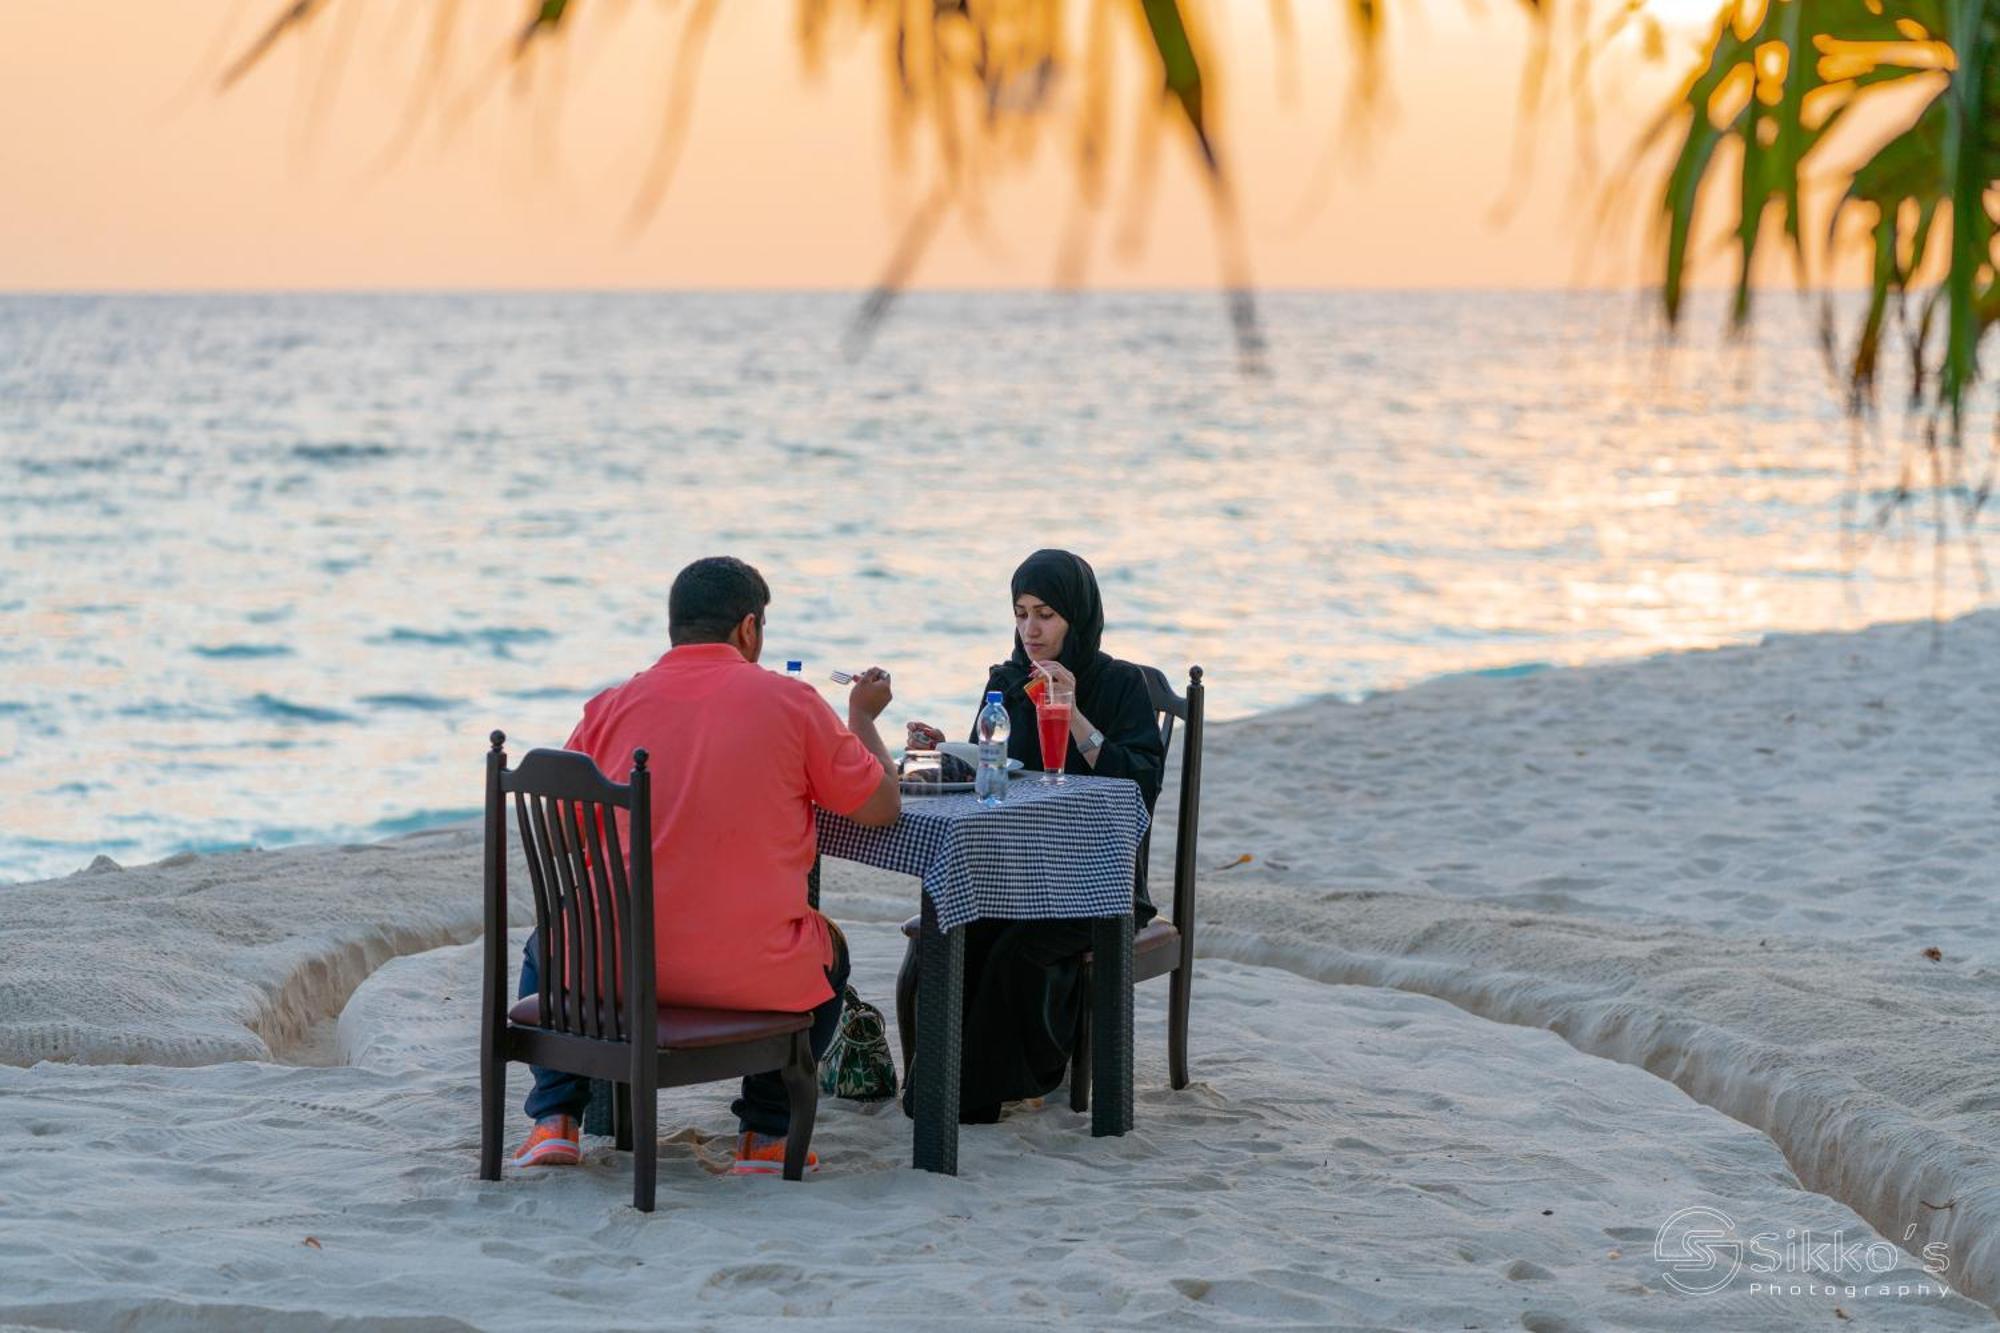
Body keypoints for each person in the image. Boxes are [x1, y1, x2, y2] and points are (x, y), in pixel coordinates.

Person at [510, 556, 901, 1175]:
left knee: (548, 946)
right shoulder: (791, 703)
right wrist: (861, 718)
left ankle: (555, 1119)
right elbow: (880, 808)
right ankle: (767, 1134)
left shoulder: (611, 706)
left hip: (610, 972)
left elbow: (561, 837)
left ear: (674, 627)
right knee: (833, 952)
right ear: (749, 629)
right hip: (752, 975)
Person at [904, 548, 1165, 1121]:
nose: (1031, 629)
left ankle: (977, 1096)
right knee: (955, 931)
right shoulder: (1006, 682)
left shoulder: (1120, 685)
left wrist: (1070, 711)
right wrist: (939, 747)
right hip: (1017, 871)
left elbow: (1140, 787)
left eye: (1045, 613)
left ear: (1077, 615)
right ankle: (939, 1086)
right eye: (1021, 613)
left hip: (1099, 883)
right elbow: (987, 774)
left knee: (1016, 954)